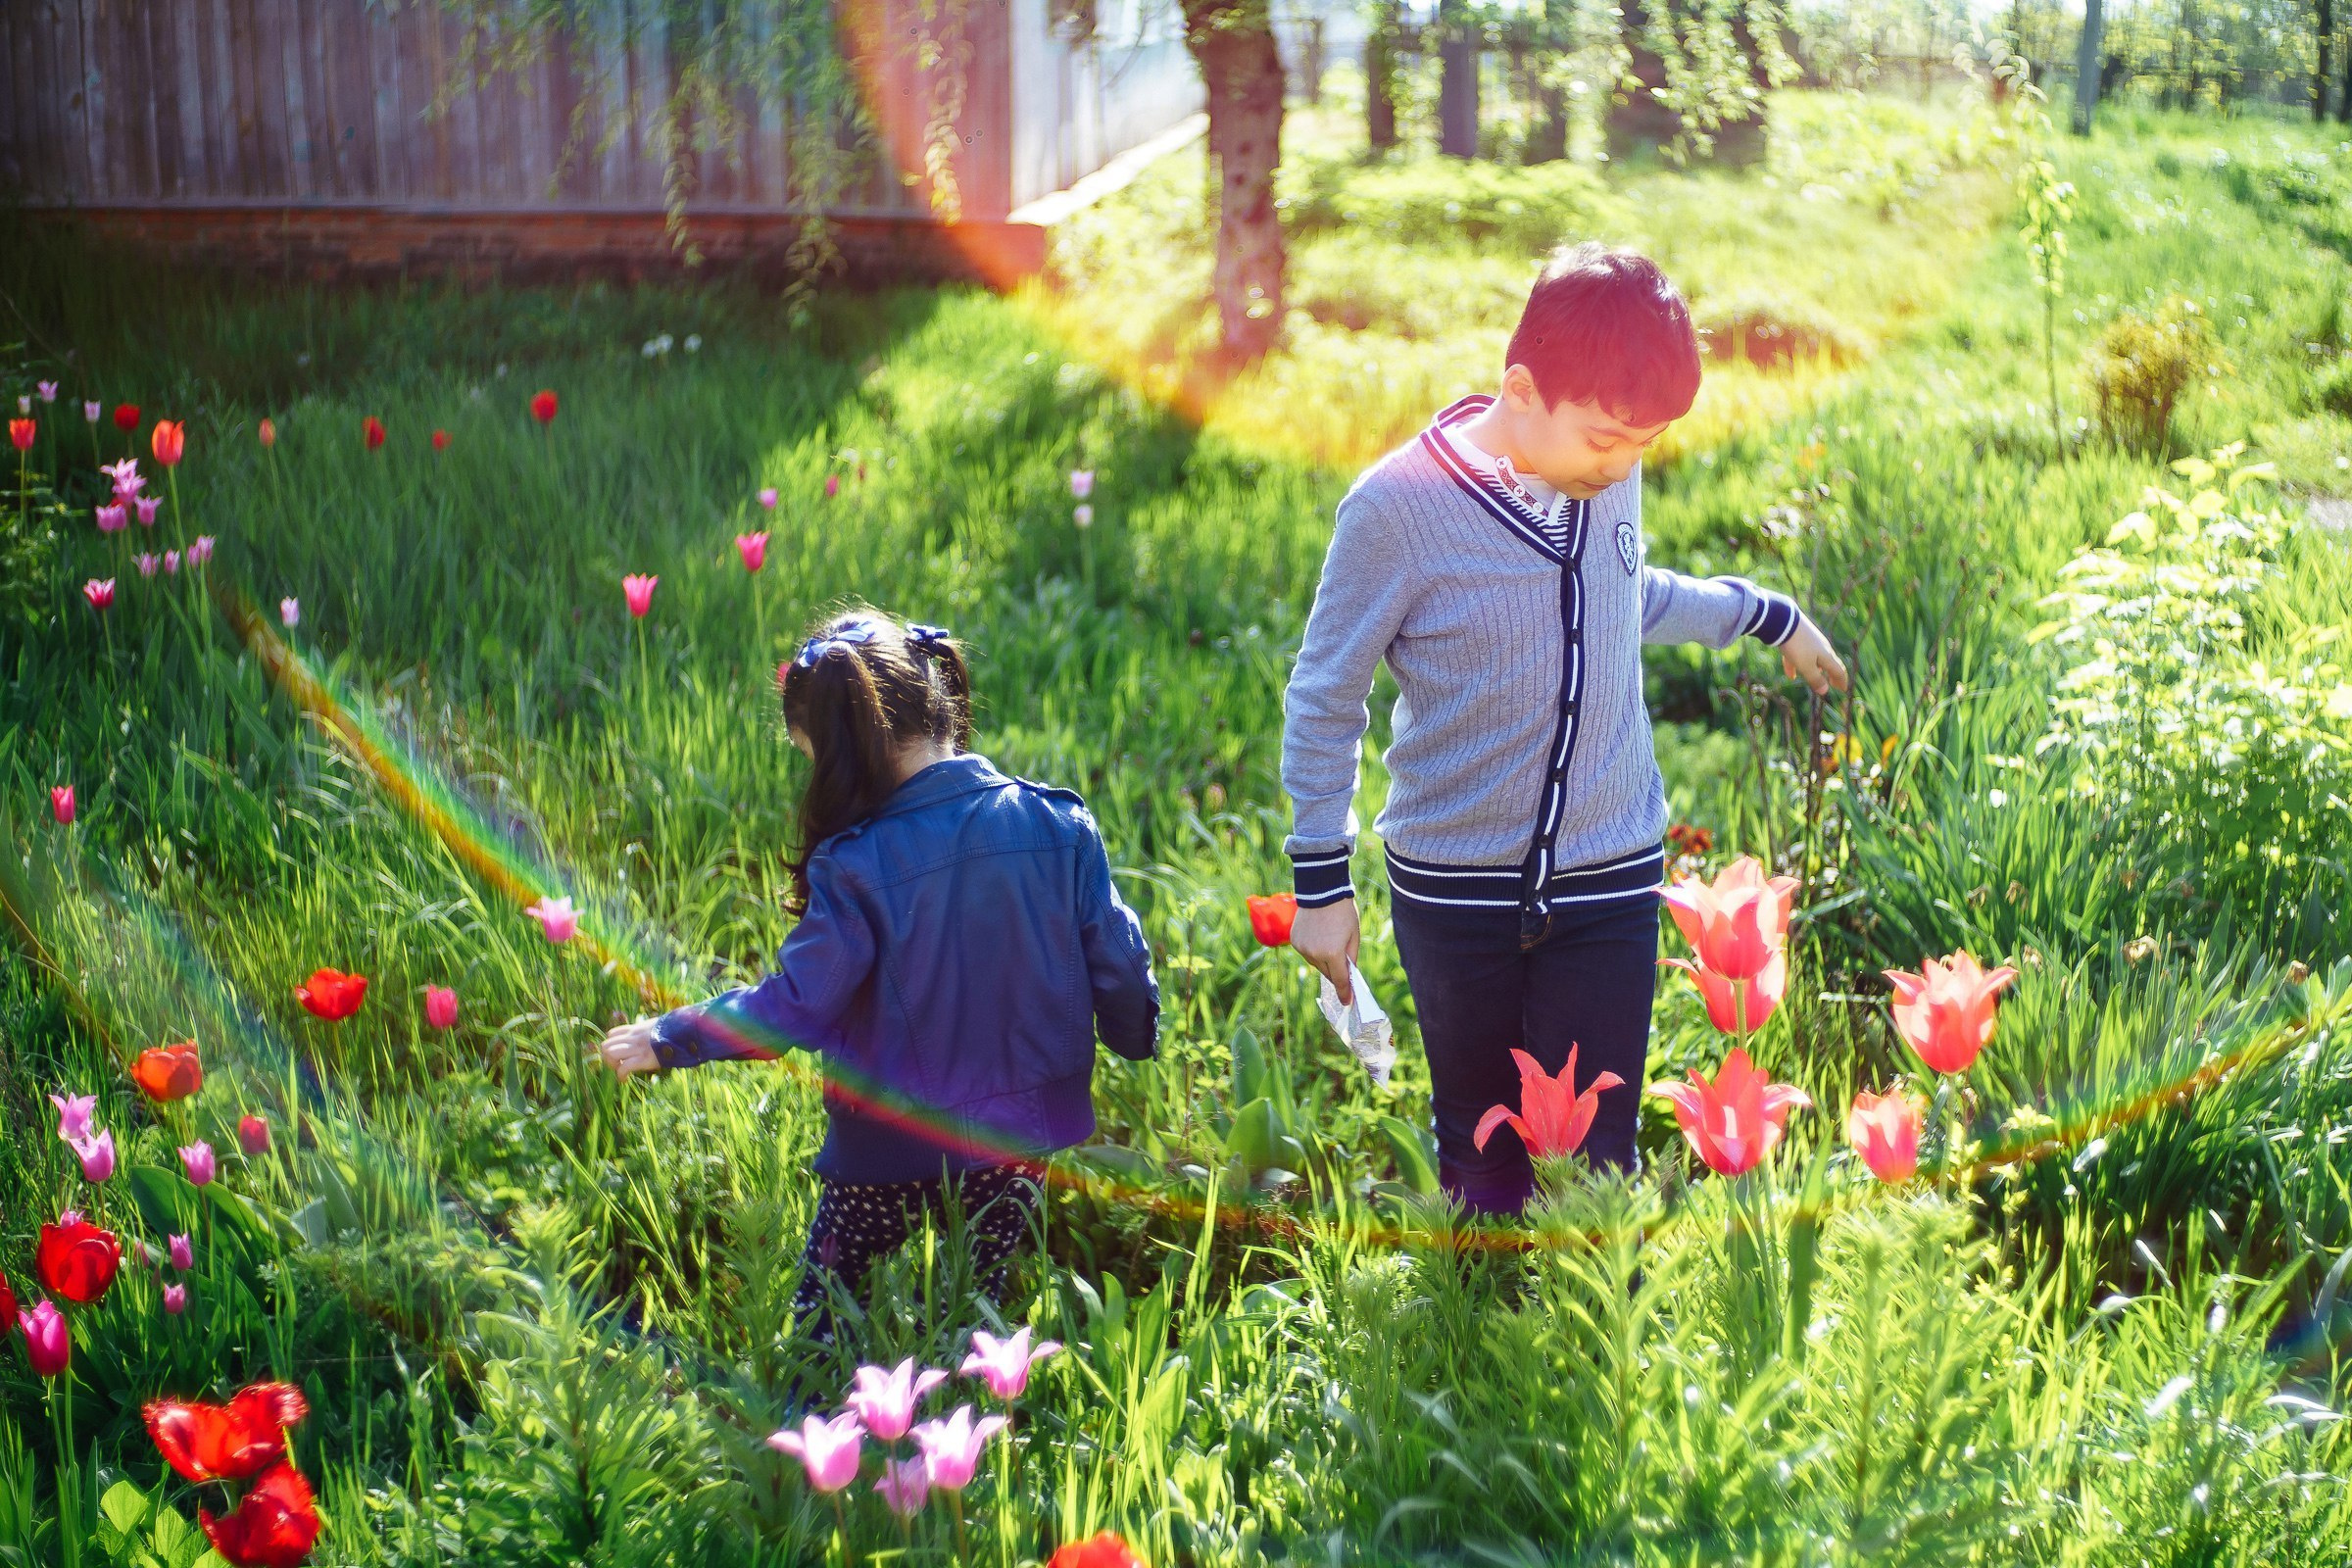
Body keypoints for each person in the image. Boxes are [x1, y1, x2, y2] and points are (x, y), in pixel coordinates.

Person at [1281, 242, 1849, 1216]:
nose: (1622, 465)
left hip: (1609, 871)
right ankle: (1481, 1313)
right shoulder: (1394, 513)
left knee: (1597, 1160)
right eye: (1605, 440)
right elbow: (1326, 695)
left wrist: (1763, 614)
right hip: (1456, 889)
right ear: (1522, 389)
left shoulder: (1600, 471)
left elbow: (1624, 591)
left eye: (1643, 445)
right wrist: (1320, 883)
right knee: (1483, 1153)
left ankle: (1592, 1315)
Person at [599, 610, 1159, 1338]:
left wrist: (673, 1035)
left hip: (883, 1154)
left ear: (846, 751)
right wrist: (1133, 1034)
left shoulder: (855, 863)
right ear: (939, 703)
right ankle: (961, 1399)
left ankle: (811, 1403)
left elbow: (796, 1007)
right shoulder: (1058, 825)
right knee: (973, 1308)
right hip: (1018, 1141)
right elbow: (1118, 961)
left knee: (829, 1313)